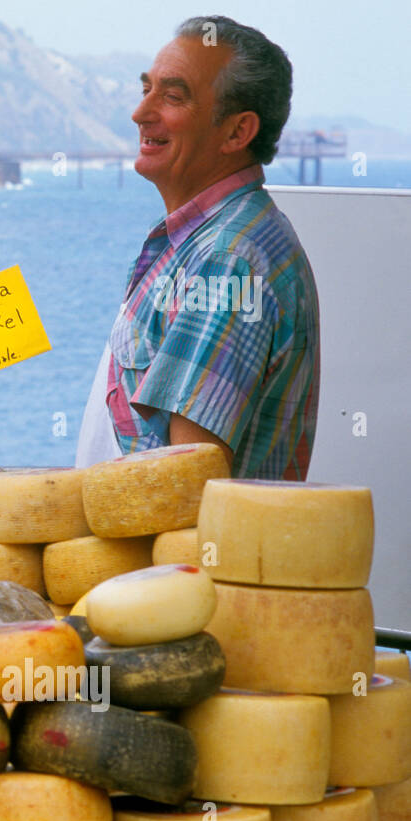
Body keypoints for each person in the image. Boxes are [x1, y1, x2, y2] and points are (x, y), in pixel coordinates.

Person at [76, 15, 319, 480]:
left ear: (236, 132)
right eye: (145, 89)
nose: (140, 113)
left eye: (172, 96)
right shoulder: (209, 239)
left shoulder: (228, 260)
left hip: (185, 555)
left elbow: (186, 485)